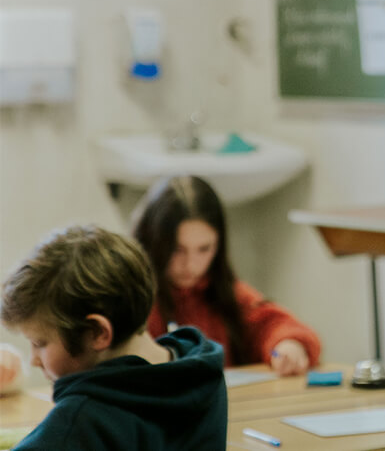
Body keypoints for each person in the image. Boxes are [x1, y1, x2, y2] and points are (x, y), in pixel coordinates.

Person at [0, 224, 227, 449]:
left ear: (98, 332)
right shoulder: (206, 377)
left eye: (40, 343)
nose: (34, 359)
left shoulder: (83, 419)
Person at [131, 175, 321, 376]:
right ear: (152, 241)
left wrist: (288, 345)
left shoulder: (222, 290)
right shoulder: (133, 299)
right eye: (177, 249)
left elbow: (272, 324)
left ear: (219, 246)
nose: (190, 264)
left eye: (204, 249)